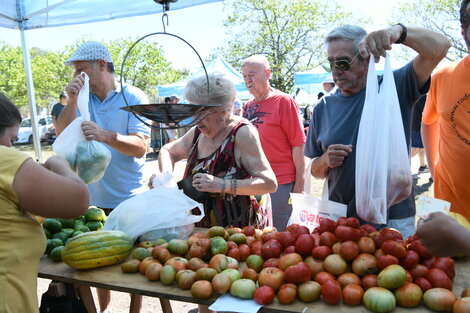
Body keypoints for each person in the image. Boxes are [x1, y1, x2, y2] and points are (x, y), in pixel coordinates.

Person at [304, 24, 450, 239]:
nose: (336, 70)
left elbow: (440, 48)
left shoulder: (395, 87)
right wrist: (325, 160)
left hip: (393, 217)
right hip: (343, 220)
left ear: (366, 60)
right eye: (331, 63)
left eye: (343, 62)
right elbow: (315, 171)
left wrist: (399, 32)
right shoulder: (323, 107)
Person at [55, 41, 150, 313]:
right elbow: (62, 133)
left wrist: (106, 136)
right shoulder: (83, 99)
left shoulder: (132, 96)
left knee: (131, 270)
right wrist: (72, 101)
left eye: (81, 70)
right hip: (90, 201)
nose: (76, 78)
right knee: (91, 266)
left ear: (100, 65)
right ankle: (101, 311)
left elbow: (142, 146)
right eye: (74, 72)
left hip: (126, 199)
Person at [0, 91, 89, 313]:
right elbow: (78, 200)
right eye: (11, 139)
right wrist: (58, 163)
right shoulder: (5, 160)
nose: (12, 148)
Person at [242, 54, 306, 231]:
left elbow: (298, 144)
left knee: (280, 234)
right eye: (245, 76)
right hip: (254, 182)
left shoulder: (283, 101)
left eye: (252, 74)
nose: (248, 80)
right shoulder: (248, 106)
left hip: (281, 182)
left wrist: (300, 184)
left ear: (267, 73)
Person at [421, 0, 470, 221]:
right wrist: (434, 171)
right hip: (451, 210)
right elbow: (427, 122)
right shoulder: (442, 77)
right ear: (463, 31)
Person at [410, 95, 428, 173]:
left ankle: (422, 166)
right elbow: (426, 113)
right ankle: (399, 165)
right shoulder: (424, 97)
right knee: (417, 148)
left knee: (421, 147)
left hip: (414, 126)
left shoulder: (416, 95)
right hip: (418, 127)